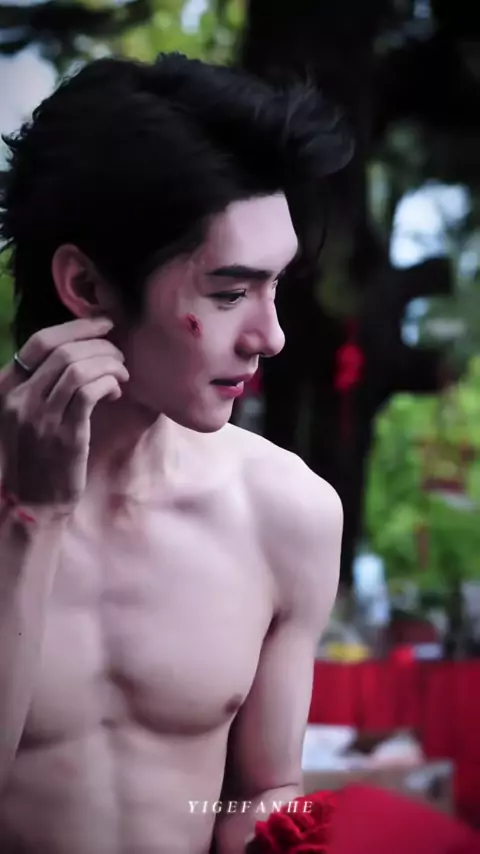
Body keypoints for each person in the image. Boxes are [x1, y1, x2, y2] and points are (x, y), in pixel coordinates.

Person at [0, 53, 351, 854]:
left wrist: (277, 833)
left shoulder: (286, 512)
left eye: (275, 286)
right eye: (228, 293)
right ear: (88, 287)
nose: (271, 336)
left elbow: (262, 788)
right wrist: (27, 517)